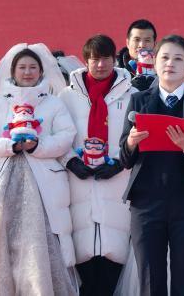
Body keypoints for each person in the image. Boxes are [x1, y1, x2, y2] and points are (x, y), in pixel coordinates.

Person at [0, 42, 76, 295]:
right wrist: (9, 146)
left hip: (42, 183)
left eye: (32, 67)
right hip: (2, 183)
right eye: (22, 67)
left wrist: (37, 145)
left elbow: (66, 136)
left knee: (39, 240)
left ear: (41, 71)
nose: (27, 72)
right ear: (13, 71)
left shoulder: (54, 104)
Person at [119, 35, 184, 296]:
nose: (170, 64)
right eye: (164, 57)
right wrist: (131, 142)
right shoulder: (139, 101)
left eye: (178, 59)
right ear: (154, 62)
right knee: (149, 280)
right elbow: (125, 158)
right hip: (146, 203)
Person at [58, 35, 137, 296]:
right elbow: (59, 136)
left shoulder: (133, 95)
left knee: (115, 253)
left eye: (105, 58)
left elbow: (138, 137)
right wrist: (71, 161)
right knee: (83, 257)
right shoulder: (67, 97)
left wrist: (119, 162)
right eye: (94, 59)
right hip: (78, 184)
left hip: (118, 181)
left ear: (114, 59)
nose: (100, 64)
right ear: (86, 61)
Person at [117, 19, 157, 92]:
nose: (142, 45)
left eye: (147, 40)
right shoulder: (114, 69)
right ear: (128, 43)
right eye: (137, 40)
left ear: (154, 44)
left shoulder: (163, 69)